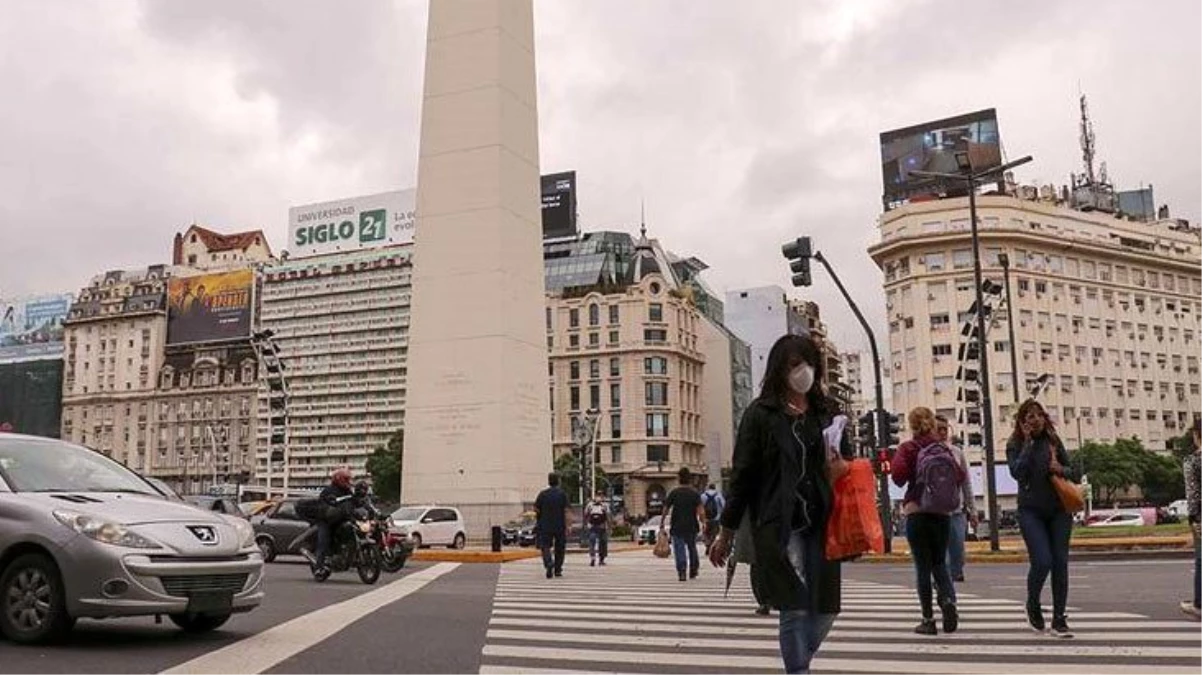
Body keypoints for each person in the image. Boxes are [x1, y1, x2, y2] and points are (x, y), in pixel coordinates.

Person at [709, 334, 852, 675]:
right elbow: (742, 475)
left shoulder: (827, 412)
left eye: (807, 363)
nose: (801, 371)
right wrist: (725, 533)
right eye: (792, 365)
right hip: (778, 524)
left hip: (821, 519)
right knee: (794, 606)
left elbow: (845, 460)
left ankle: (800, 662)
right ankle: (798, 671)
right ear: (778, 370)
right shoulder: (760, 414)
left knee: (827, 608)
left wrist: (842, 468)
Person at [892, 406, 964, 635]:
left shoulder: (908, 448)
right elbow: (960, 476)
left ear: (912, 425)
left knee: (922, 567)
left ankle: (928, 620)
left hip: (917, 511)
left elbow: (897, 478)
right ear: (932, 423)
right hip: (942, 513)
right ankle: (948, 602)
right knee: (940, 563)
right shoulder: (944, 449)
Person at [1007, 398, 1075, 637]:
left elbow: (1072, 470)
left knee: (1060, 562)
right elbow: (1016, 472)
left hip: (1059, 510)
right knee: (1042, 561)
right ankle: (1033, 603)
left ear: (1044, 418)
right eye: (1029, 416)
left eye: (1038, 415)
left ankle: (1059, 618)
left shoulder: (1053, 441)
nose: (1034, 419)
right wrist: (1027, 444)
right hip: (1030, 510)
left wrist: (1061, 469)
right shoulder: (1015, 443)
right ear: (1022, 422)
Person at [936, 415, 977, 583]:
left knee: (958, 549)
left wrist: (973, 510)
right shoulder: (926, 453)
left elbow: (966, 483)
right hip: (936, 512)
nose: (942, 433)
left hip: (956, 511)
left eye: (945, 429)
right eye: (938, 429)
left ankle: (954, 573)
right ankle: (944, 586)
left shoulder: (957, 453)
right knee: (941, 554)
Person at [662, 467, 705, 581]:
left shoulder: (674, 493)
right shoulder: (694, 493)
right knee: (692, 547)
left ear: (679, 478)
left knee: (679, 548)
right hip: (692, 525)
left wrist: (662, 522)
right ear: (689, 479)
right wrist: (704, 522)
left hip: (677, 525)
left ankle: (682, 571)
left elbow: (666, 509)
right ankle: (693, 569)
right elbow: (701, 510)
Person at [314, 467, 355, 578]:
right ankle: (319, 567)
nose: (348, 481)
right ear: (338, 478)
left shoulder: (348, 491)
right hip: (328, 521)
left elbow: (354, 502)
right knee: (323, 542)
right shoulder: (328, 491)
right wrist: (330, 505)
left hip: (342, 520)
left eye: (349, 479)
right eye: (346, 479)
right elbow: (322, 505)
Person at [1180, 417, 1202, 620]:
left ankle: (1200, 604)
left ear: (1196, 435)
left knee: (1201, 560)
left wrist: (1193, 519)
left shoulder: (1192, 461)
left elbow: (1193, 494)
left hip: (1201, 517)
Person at [534, 472, 569, 579]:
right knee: (560, 548)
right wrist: (568, 525)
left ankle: (549, 563)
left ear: (549, 481)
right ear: (558, 481)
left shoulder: (543, 494)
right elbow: (566, 511)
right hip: (560, 525)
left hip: (545, 525)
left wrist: (540, 516)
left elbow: (536, 508)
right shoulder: (562, 494)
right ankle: (558, 569)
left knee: (545, 546)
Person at [584, 492, 610, 567]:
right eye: (598, 495)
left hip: (598, 526)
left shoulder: (603, 505)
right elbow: (586, 514)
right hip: (596, 526)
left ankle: (598, 558)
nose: (599, 497)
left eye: (600, 495)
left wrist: (608, 526)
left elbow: (586, 515)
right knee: (597, 542)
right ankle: (596, 558)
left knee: (599, 542)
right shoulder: (592, 505)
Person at [701, 483, 725, 552]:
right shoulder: (719, 495)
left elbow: (700, 506)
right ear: (714, 488)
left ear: (708, 488)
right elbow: (723, 506)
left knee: (706, 532)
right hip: (716, 518)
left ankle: (707, 544)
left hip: (706, 519)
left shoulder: (703, 495)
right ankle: (711, 545)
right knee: (714, 533)